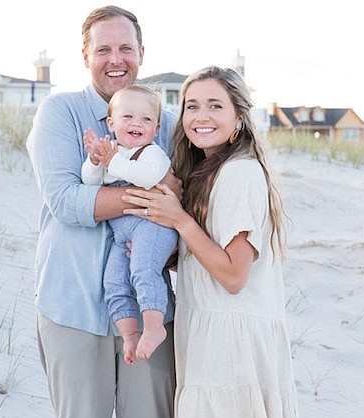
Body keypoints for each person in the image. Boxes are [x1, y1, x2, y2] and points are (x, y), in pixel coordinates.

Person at [26, 6, 180, 418]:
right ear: (86, 55)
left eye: (126, 48)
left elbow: (186, 203)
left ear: (142, 53)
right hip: (72, 305)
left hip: (151, 312)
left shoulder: (168, 123)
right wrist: (151, 193)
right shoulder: (59, 113)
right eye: (104, 49)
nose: (116, 60)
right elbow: (66, 201)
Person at [122, 66, 300, 417]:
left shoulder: (239, 173)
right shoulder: (212, 172)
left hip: (232, 351)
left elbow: (234, 276)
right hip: (210, 341)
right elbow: (210, 253)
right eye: (192, 106)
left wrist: (179, 220)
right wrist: (167, 253)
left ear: (239, 118)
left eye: (215, 106)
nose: (201, 116)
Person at [81, 85, 178, 365]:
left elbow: (147, 178)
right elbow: (90, 183)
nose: (137, 123)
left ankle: (154, 327)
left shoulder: (151, 154)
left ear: (156, 128)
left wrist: (113, 162)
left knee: (143, 271)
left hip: (152, 226)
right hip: (122, 233)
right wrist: (95, 160)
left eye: (146, 119)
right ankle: (130, 333)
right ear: (111, 123)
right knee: (113, 281)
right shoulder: (114, 153)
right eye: (128, 117)